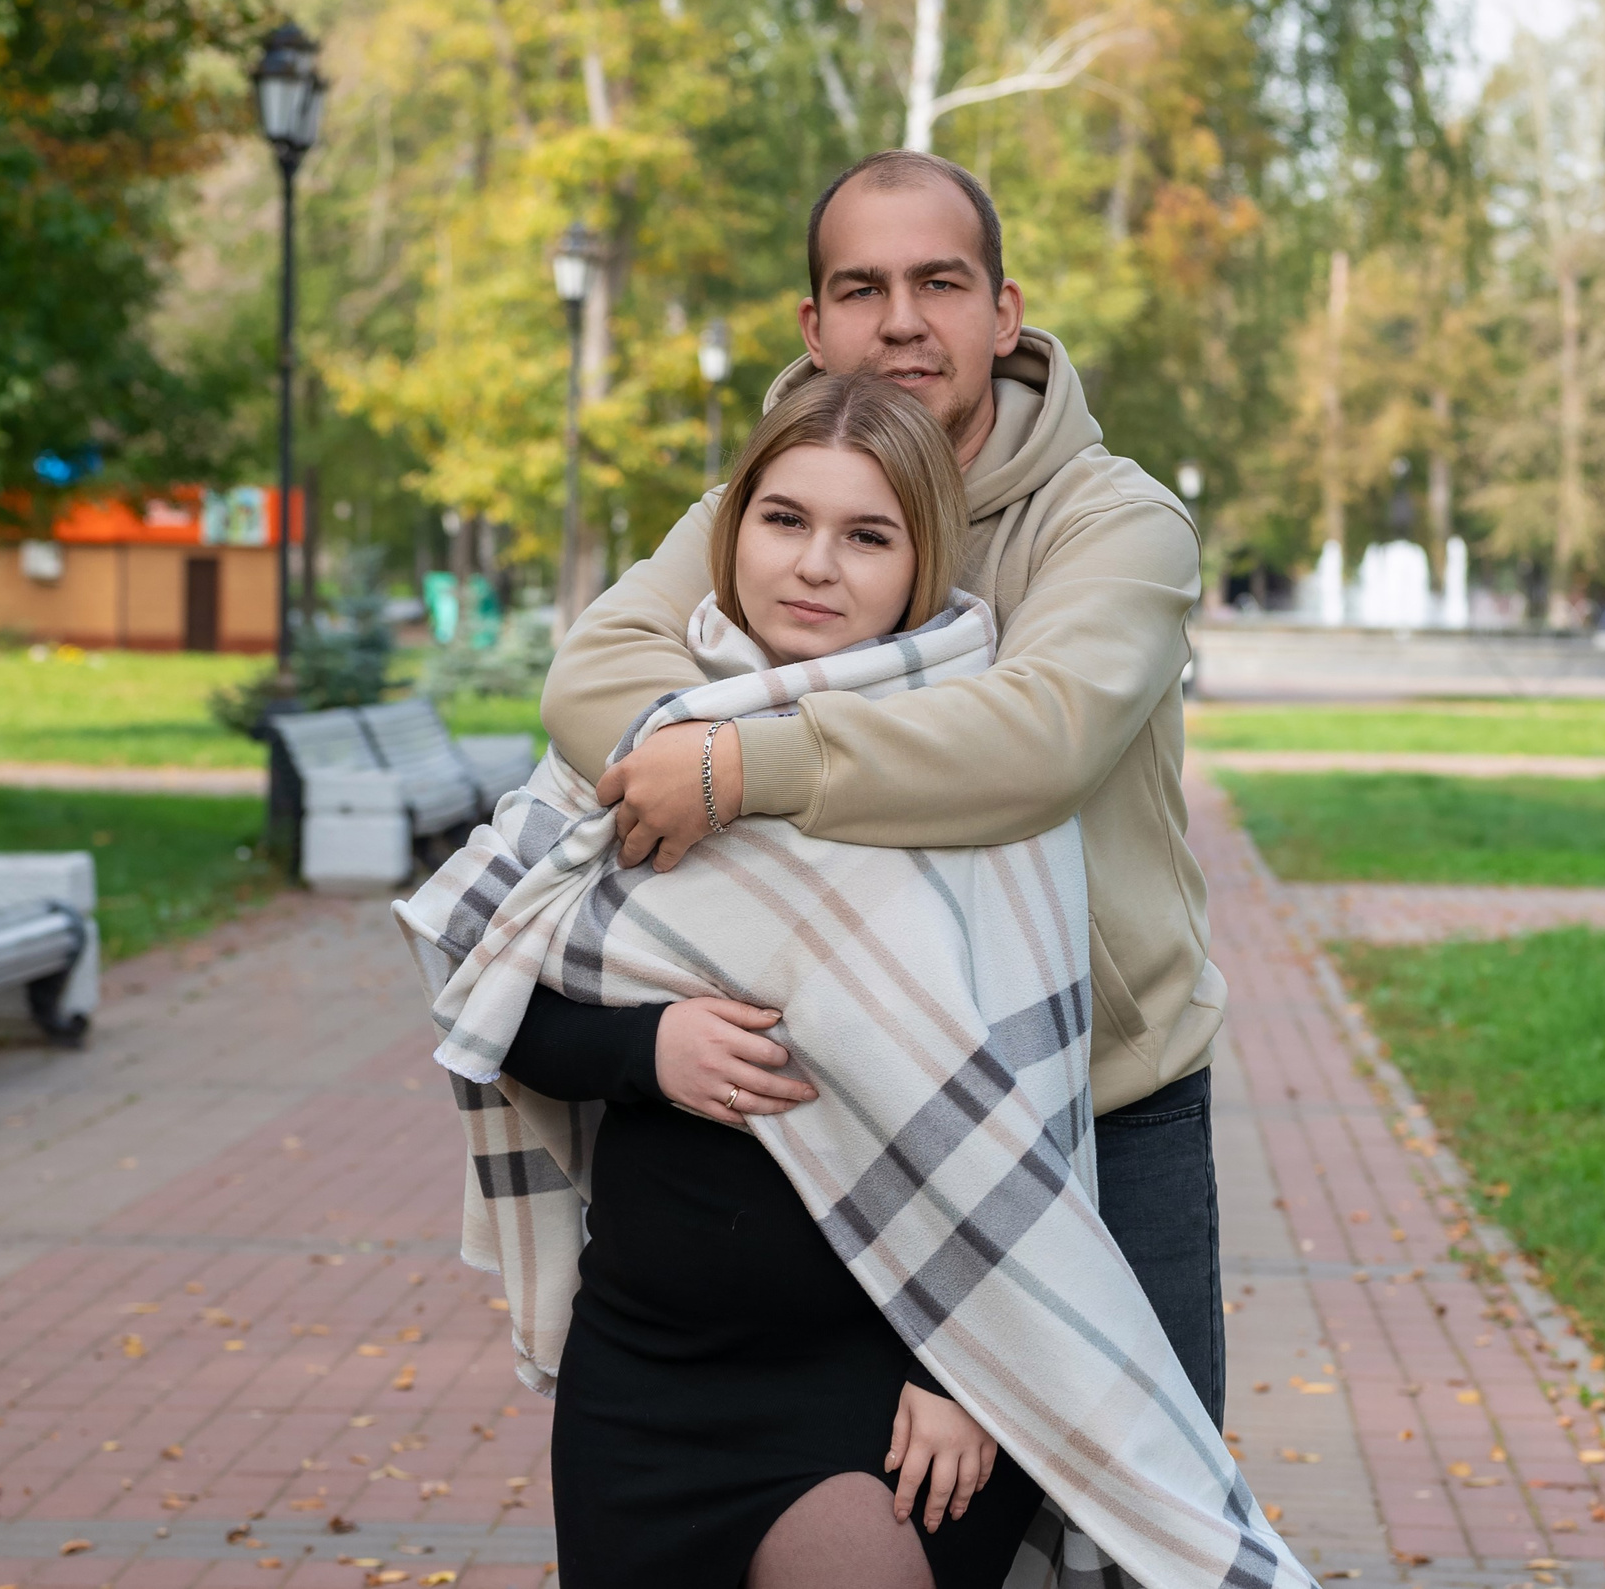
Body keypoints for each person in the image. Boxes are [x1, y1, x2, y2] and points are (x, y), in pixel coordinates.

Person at [542, 149, 1228, 1430]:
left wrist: (745, 765)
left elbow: (1040, 736)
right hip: (846, 1090)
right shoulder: (767, 492)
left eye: (939, 282)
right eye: (860, 287)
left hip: (1102, 1104)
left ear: (1004, 312)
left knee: (1146, 1516)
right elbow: (592, 671)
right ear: (814, 324)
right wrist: (679, 753)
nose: (900, 320)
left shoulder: (1111, 521)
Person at [501, 374, 1050, 1587]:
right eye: (784, 519)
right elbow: (501, 1010)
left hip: (886, 1374)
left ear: (921, 560)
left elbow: (1033, 1103)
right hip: (644, 1372)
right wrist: (648, 1051)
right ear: (732, 526)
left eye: (867, 535)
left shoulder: (973, 756)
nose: (816, 564)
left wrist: (967, 1364)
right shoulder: (637, 735)